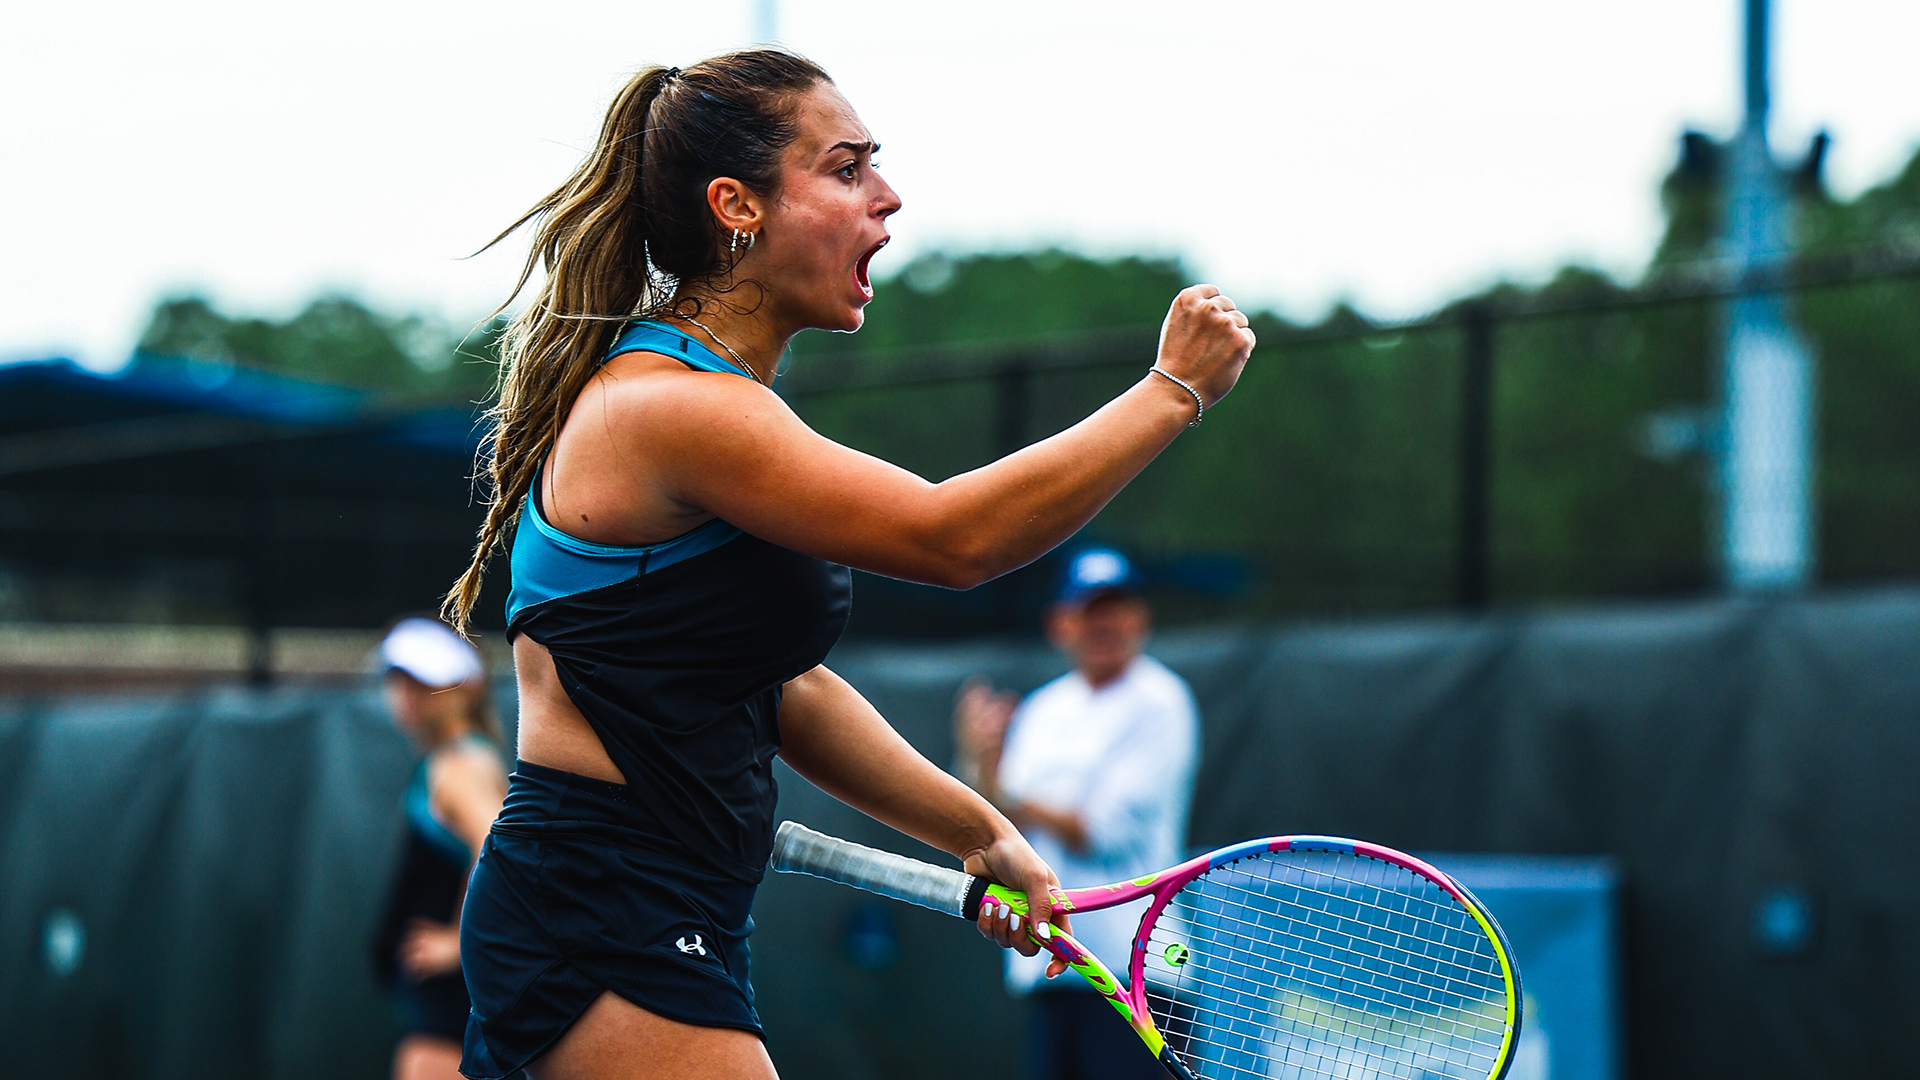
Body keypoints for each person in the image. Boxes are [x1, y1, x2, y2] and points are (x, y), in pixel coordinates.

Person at [439, 49, 1253, 1080]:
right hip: (598, 903)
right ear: (738, 206)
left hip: (661, 901)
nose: (888, 195)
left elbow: (787, 690)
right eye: (846, 167)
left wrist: (979, 830)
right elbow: (953, 539)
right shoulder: (670, 407)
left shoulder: (719, 408)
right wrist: (1172, 392)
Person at [953, 547, 1199, 1080]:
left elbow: (1099, 831)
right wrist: (979, 765)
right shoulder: (1042, 709)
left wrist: (1002, 792)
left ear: (1140, 618)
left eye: (1116, 607)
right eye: (1090, 609)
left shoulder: (1161, 702)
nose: (1104, 623)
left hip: (1137, 975)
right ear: (1060, 622)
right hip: (1052, 970)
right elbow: (1002, 824)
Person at [372, 617, 511, 1080]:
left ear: (467, 687)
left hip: (449, 998)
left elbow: (494, 847)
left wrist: (458, 942)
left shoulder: (459, 765)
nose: (406, 695)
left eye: (423, 681)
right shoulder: (450, 758)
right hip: (438, 996)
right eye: (399, 680)